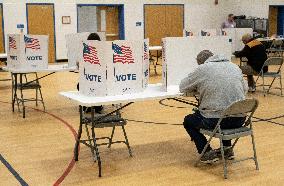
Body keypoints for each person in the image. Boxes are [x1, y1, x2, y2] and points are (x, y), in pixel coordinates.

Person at [179, 50, 248, 164]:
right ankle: (226, 150)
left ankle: (206, 152)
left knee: (189, 121)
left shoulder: (202, 69)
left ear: (201, 63)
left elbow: (183, 87)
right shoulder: (234, 67)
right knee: (227, 108)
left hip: (215, 121)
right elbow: (244, 89)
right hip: (239, 118)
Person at [77, 33, 103, 113]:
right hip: (100, 82)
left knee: (80, 85)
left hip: (88, 82)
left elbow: (79, 65)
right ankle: (97, 105)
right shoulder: (103, 51)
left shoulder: (85, 52)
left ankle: (86, 105)